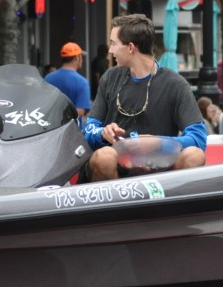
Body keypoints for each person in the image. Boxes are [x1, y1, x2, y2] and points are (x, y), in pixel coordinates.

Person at [82, 13, 206, 181]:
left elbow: (199, 138)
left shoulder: (176, 84)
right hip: (117, 166)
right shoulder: (110, 77)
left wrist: (159, 143)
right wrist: (103, 133)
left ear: (131, 47)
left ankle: (173, 206)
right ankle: (115, 207)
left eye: (114, 44)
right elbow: (89, 130)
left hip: (162, 168)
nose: (110, 50)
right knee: (104, 157)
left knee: (194, 155)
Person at [44, 42, 92, 118]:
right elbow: (80, 111)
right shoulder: (82, 82)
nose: (82, 60)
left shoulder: (48, 78)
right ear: (77, 57)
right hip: (72, 129)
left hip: (50, 127)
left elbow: (44, 105)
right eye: (81, 57)